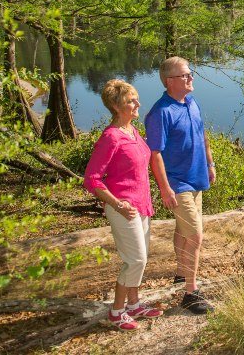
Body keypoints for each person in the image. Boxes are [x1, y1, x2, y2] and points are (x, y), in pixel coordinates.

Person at [83, 80, 163, 331]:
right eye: (131, 101)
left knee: (141, 258)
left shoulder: (133, 132)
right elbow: (92, 180)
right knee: (135, 260)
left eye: (137, 99)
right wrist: (117, 204)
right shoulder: (111, 137)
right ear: (117, 106)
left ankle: (134, 304)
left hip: (141, 206)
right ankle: (117, 312)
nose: (137, 103)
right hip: (123, 209)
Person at [145, 56, 215, 314]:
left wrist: (210, 164)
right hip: (178, 183)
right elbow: (155, 154)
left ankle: (180, 274)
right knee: (195, 235)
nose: (190, 78)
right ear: (169, 81)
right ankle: (191, 293)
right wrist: (165, 188)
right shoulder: (160, 112)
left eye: (190, 73)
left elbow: (202, 132)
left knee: (183, 231)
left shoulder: (191, 102)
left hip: (197, 177)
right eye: (185, 75)